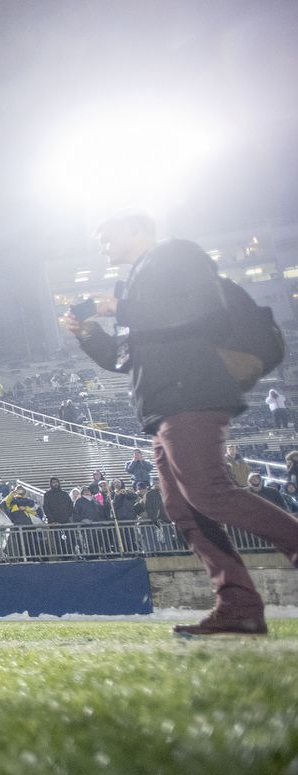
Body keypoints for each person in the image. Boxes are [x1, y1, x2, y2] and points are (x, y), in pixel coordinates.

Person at [67, 212, 298, 635]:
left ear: (137, 227)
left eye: (107, 235)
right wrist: (89, 334)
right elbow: (127, 358)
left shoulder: (175, 254)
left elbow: (198, 309)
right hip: (163, 405)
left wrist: (121, 305)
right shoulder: (140, 282)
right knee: (184, 510)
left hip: (191, 392)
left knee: (207, 492)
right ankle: (238, 605)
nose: (102, 245)